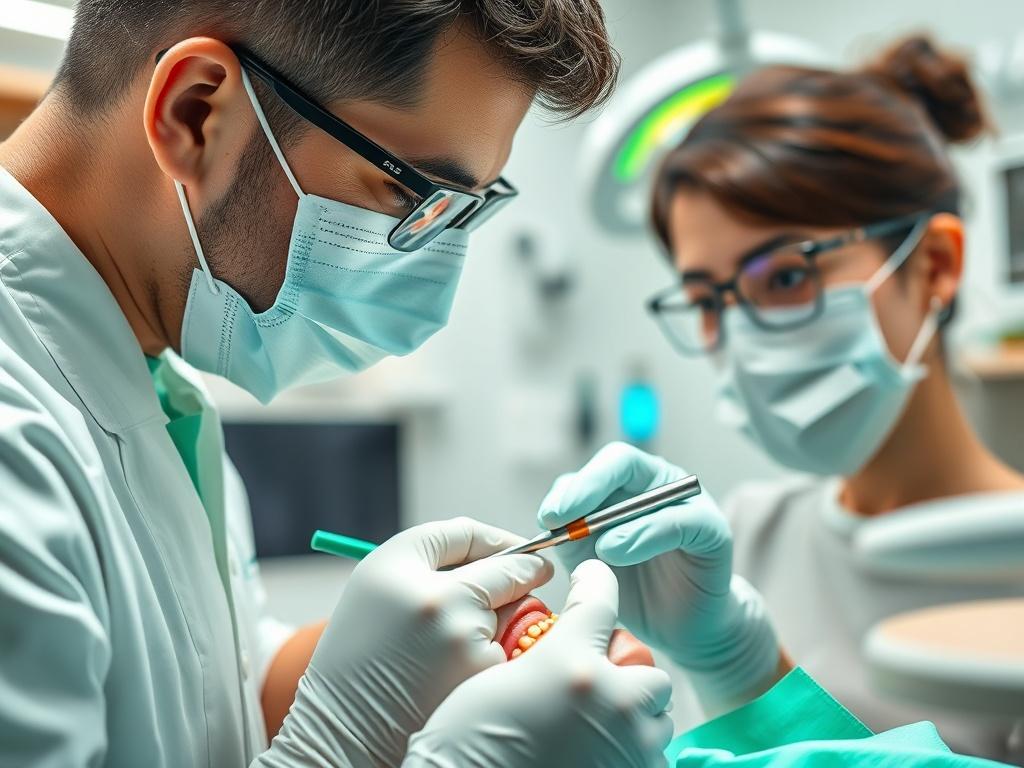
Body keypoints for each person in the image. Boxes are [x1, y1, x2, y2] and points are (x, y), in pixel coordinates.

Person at [0, 1, 678, 765]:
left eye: (462, 213)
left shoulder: (148, 379)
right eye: (410, 196)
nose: (433, 307)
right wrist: (364, 741)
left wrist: (422, 658)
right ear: (197, 114)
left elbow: (214, 695)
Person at [538, 34, 1024, 763]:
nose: (740, 333)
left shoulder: (1009, 558)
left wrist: (749, 675)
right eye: (707, 299)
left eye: (787, 277)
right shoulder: (736, 543)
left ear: (935, 265)